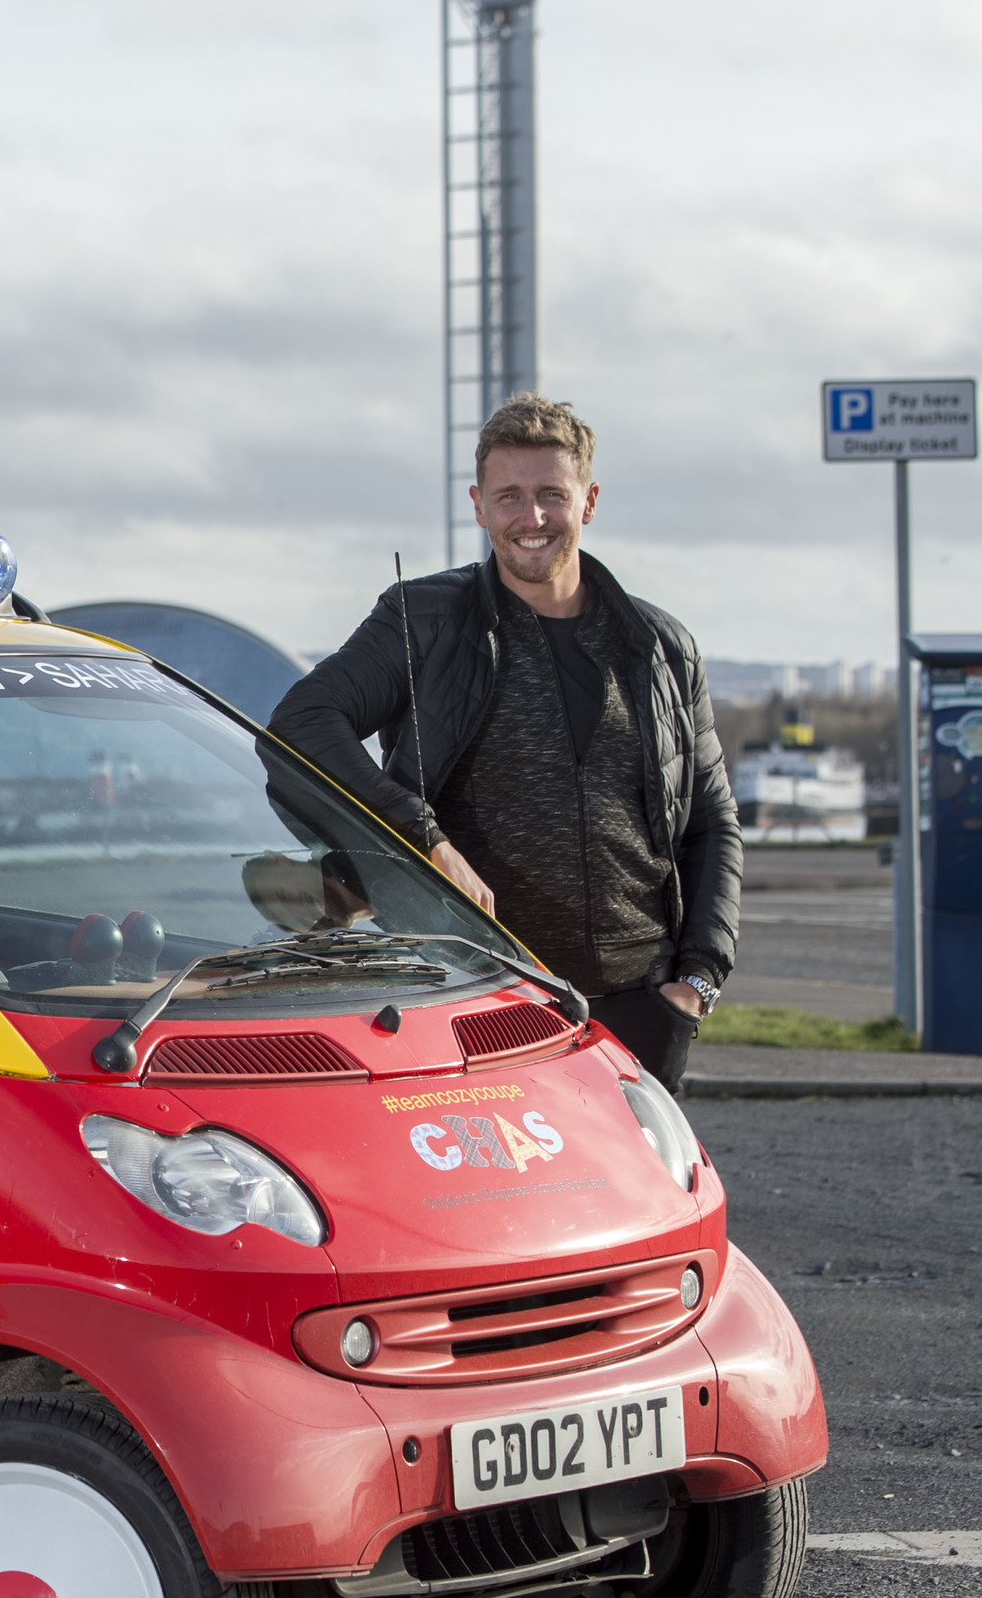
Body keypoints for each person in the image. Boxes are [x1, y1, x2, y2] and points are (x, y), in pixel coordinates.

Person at [269, 394, 739, 1086]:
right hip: (476, 991)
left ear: (588, 501)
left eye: (552, 494)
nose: (531, 518)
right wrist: (422, 838)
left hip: (638, 1002)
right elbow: (299, 726)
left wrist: (696, 978)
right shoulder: (423, 620)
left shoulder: (659, 645)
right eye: (509, 496)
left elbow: (710, 821)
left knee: (648, 1195)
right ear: (478, 504)